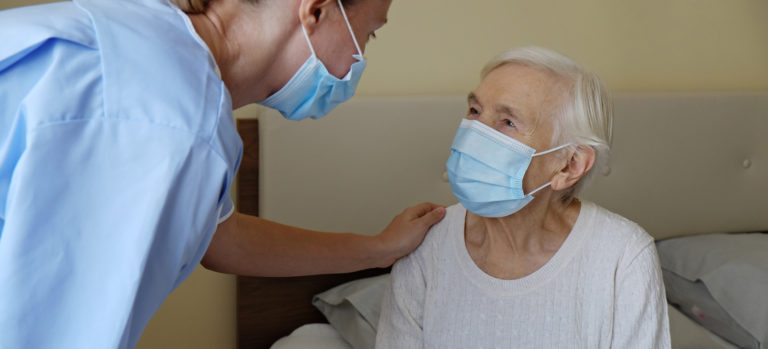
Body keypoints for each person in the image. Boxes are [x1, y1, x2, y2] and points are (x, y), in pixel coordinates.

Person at [0, 0, 446, 348]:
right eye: (368, 35)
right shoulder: (175, 123)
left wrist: (378, 249)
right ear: (316, 10)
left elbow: (218, 237)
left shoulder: (151, 44)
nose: (357, 64)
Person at [375, 46, 671, 348]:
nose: (475, 132)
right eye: (475, 111)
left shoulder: (623, 257)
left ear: (569, 166)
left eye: (508, 122)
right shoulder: (427, 245)